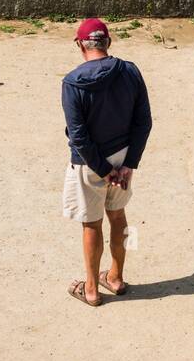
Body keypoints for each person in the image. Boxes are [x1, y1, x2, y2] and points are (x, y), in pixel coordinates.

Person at [61, 19, 153, 307]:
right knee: (118, 215)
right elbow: (144, 122)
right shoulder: (130, 71)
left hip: (91, 164)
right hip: (123, 157)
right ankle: (115, 277)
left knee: (92, 224)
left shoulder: (72, 82)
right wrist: (128, 164)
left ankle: (90, 289)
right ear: (108, 42)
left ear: (80, 45)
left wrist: (103, 169)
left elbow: (79, 136)